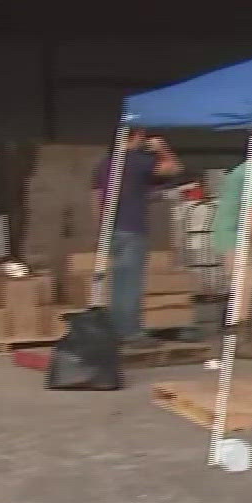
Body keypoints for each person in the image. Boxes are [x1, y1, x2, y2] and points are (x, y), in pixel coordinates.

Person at [91, 128, 182, 346]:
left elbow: (95, 200)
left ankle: (118, 330)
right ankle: (131, 333)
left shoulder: (104, 164)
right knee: (131, 284)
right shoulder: (136, 160)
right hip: (132, 229)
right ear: (137, 137)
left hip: (111, 231)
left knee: (118, 284)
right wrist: (163, 149)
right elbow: (174, 169)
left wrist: (101, 231)